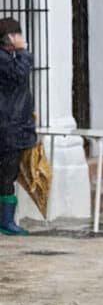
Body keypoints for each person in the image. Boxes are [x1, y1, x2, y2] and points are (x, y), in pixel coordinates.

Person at [0, 17, 35, 236]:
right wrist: (23, 51)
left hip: (12, 127)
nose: (21, 39)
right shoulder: (4, 59)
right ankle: (6, 222)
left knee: (7, 174)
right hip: (9, 129)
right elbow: (20, 73)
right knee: (7, 175)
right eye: (17, 35)